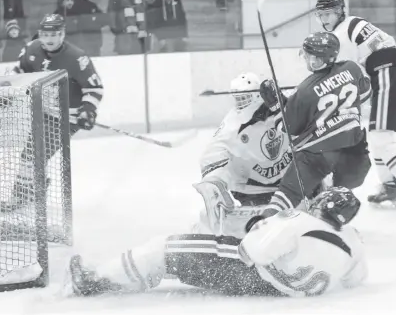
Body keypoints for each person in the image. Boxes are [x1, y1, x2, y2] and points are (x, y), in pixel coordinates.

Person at [66, 186, 367, 297]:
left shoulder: (299, 221)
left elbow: (253, 251)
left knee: (168, 246)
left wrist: (259, 225)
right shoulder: (353, 240)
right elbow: (356, 279)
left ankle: (96, 279)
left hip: (251, 275)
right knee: (184, 255)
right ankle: (135, 274)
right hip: (278, 290)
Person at [314, 0, 396, 216]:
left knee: (380, 137)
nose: (324, 19)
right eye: (320, 15)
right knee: (377, 136)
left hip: (387, 74)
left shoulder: (340, 35)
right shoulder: (353, 22)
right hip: (394, 74)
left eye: (328, 13)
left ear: (339, 12)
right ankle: (389, 186)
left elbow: (342, 74)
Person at [0, 14, 103, 210]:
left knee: (31, 155)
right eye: (45, 33)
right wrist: (8, 92)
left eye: (54, 34)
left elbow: (94, 89)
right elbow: (20, 72)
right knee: (33, 154)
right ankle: (37, 185)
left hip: (66, 119)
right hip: (44, 112)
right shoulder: (31, 49)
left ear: (62, 34)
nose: (49, 38)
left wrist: (88, 110)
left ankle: (23, 195)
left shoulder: (77, 58)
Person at [259, 31, 371, 215]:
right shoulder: (352, 68)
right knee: (337, 198)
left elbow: (290, 128)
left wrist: (276, 106)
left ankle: (262, 226)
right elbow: (366, 94)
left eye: (308, 55)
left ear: (317, 60)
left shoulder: (305, 91)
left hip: (318, 154)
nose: (305, 59)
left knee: (288, 193)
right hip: (355, 154)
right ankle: (330, 210)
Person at [194, 72, 292, 238]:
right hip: (254, 190)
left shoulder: (281, 105)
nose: (240, 104)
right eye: (238, 99)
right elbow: (214, 151)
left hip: (286, 183)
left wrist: (282, 100)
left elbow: (305, 107)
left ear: (257, 95)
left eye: (244, 98)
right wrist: (214, 182)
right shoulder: (234, 123)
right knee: (268, 231)